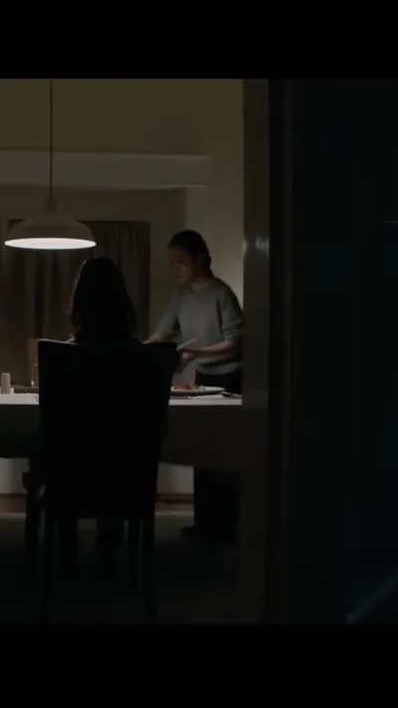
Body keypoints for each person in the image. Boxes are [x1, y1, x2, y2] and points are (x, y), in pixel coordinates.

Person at [45, 257, 140, 578]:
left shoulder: (64, 357)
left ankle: (67, 552)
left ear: (79, 303)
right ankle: (109, 548)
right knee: (117, 451)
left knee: (62, 454)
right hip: (125, 473)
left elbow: (54, 427)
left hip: (72, 471)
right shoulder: (140, 357)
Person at [147, 230, 244, 394]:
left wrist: (196, 353)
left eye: (181, 262)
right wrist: (139, 349)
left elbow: (234, 344)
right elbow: (162, 333)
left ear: (199, 260)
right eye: (172, 264)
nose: (176, 269)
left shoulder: (221, 293)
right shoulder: (180, 295)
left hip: (231, 376)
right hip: (203, 374)